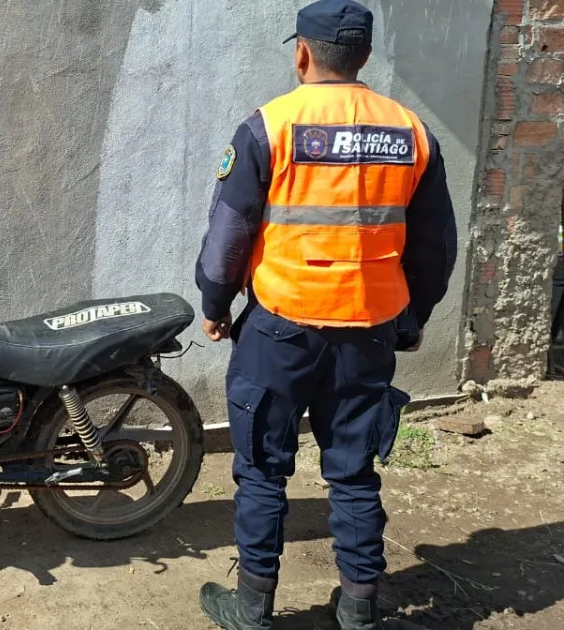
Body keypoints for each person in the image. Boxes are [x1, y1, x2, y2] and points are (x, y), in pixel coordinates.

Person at [193, 1, 457, 628]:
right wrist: (413, 316)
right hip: (368, 331)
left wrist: (215, 305)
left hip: (279, 328)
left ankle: (253, 606)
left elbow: (228, 236)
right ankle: (360, 608)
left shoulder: (269, 126)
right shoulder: (412, 133)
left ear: (303, 53)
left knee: (262, 468)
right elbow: (435, 247)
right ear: (364, 56)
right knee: (353, 471)